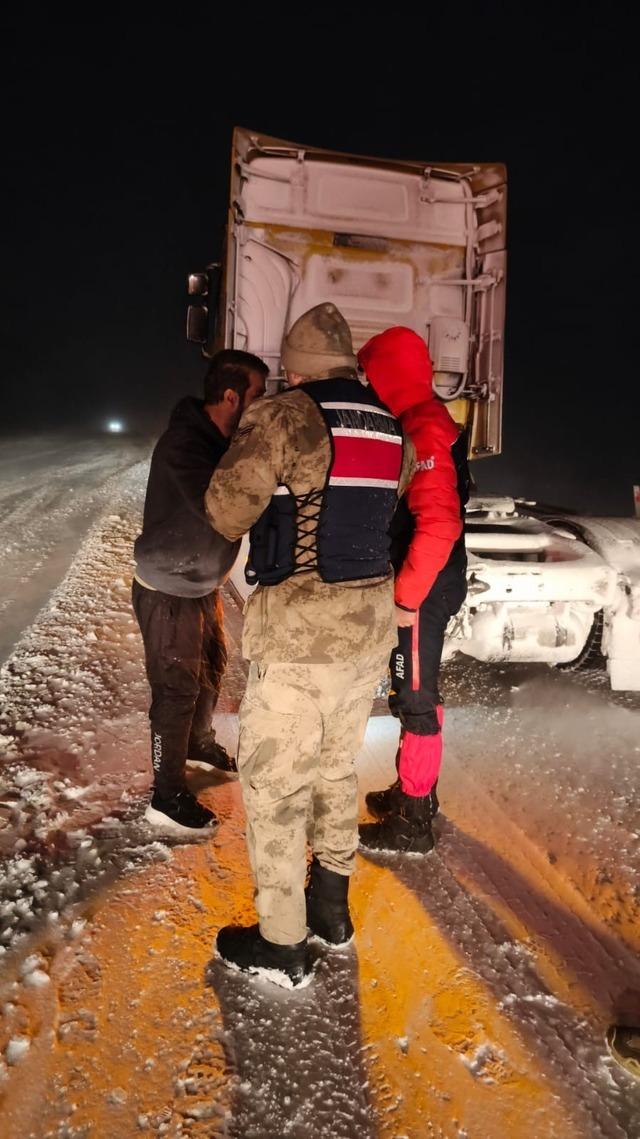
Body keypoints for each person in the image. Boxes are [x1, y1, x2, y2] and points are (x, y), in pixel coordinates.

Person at [205, 303, 414, 986]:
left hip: (297, 635)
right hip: (364, 634)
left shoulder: (284, 415)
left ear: (293, 365)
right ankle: (333, 913)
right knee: (335, 771)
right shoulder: (391, 425)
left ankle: (283, 941)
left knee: (272, 786)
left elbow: (227, 509)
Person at [133, 349, 268, 837]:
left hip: (198, 582)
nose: (261, 405)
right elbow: (224, 507)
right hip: (169, 587)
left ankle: (198, 743)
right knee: (176, 690)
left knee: (213, 665)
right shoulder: (185, 446)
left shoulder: (216, 440)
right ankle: (165, 797)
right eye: (257, 395)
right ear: (231, 395)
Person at [356, 327, 469, 854]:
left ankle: (414, 821)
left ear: (389, 377)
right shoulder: (425, 419)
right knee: (411, 689)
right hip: (424, 581)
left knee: (415, 695)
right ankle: (412, 789)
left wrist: (405, 597)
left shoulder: (422, 427)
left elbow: (440, 523)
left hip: (423, 587)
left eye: (373, 376)